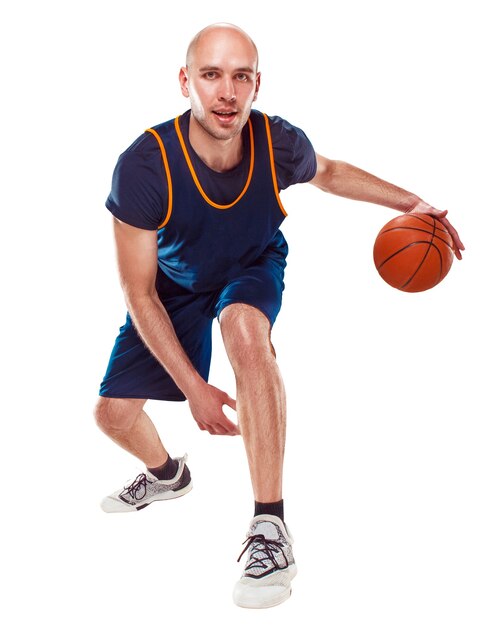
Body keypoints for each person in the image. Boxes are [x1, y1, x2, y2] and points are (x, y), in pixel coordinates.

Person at [94, 22, 464, 609]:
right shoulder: (144, 166)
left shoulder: (276, 142)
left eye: (241, 77)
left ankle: (271, 525)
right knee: (112, 417)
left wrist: (411, 202)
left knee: (244, 329)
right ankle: (168, 475)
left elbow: (332, 172)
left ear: (257, 85)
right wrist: (193, 388)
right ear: (185, 81)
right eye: (212, 75)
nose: (227, 93)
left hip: (251, 261)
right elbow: (139, 293)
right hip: (176, 283)